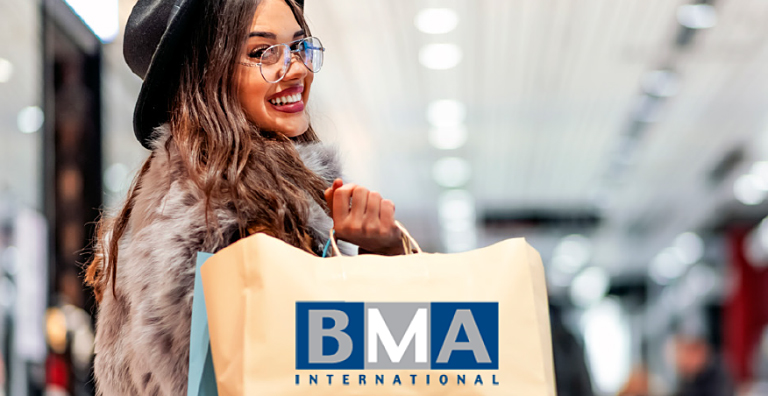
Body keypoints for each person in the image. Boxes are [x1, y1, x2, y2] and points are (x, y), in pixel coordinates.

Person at [84, 0, 406, 394]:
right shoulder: (223, 212)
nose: (297, 69)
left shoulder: (184, 198)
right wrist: (383, 260)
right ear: (206, 73)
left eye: (298, 46)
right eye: (261, 52)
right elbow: (318, 373)